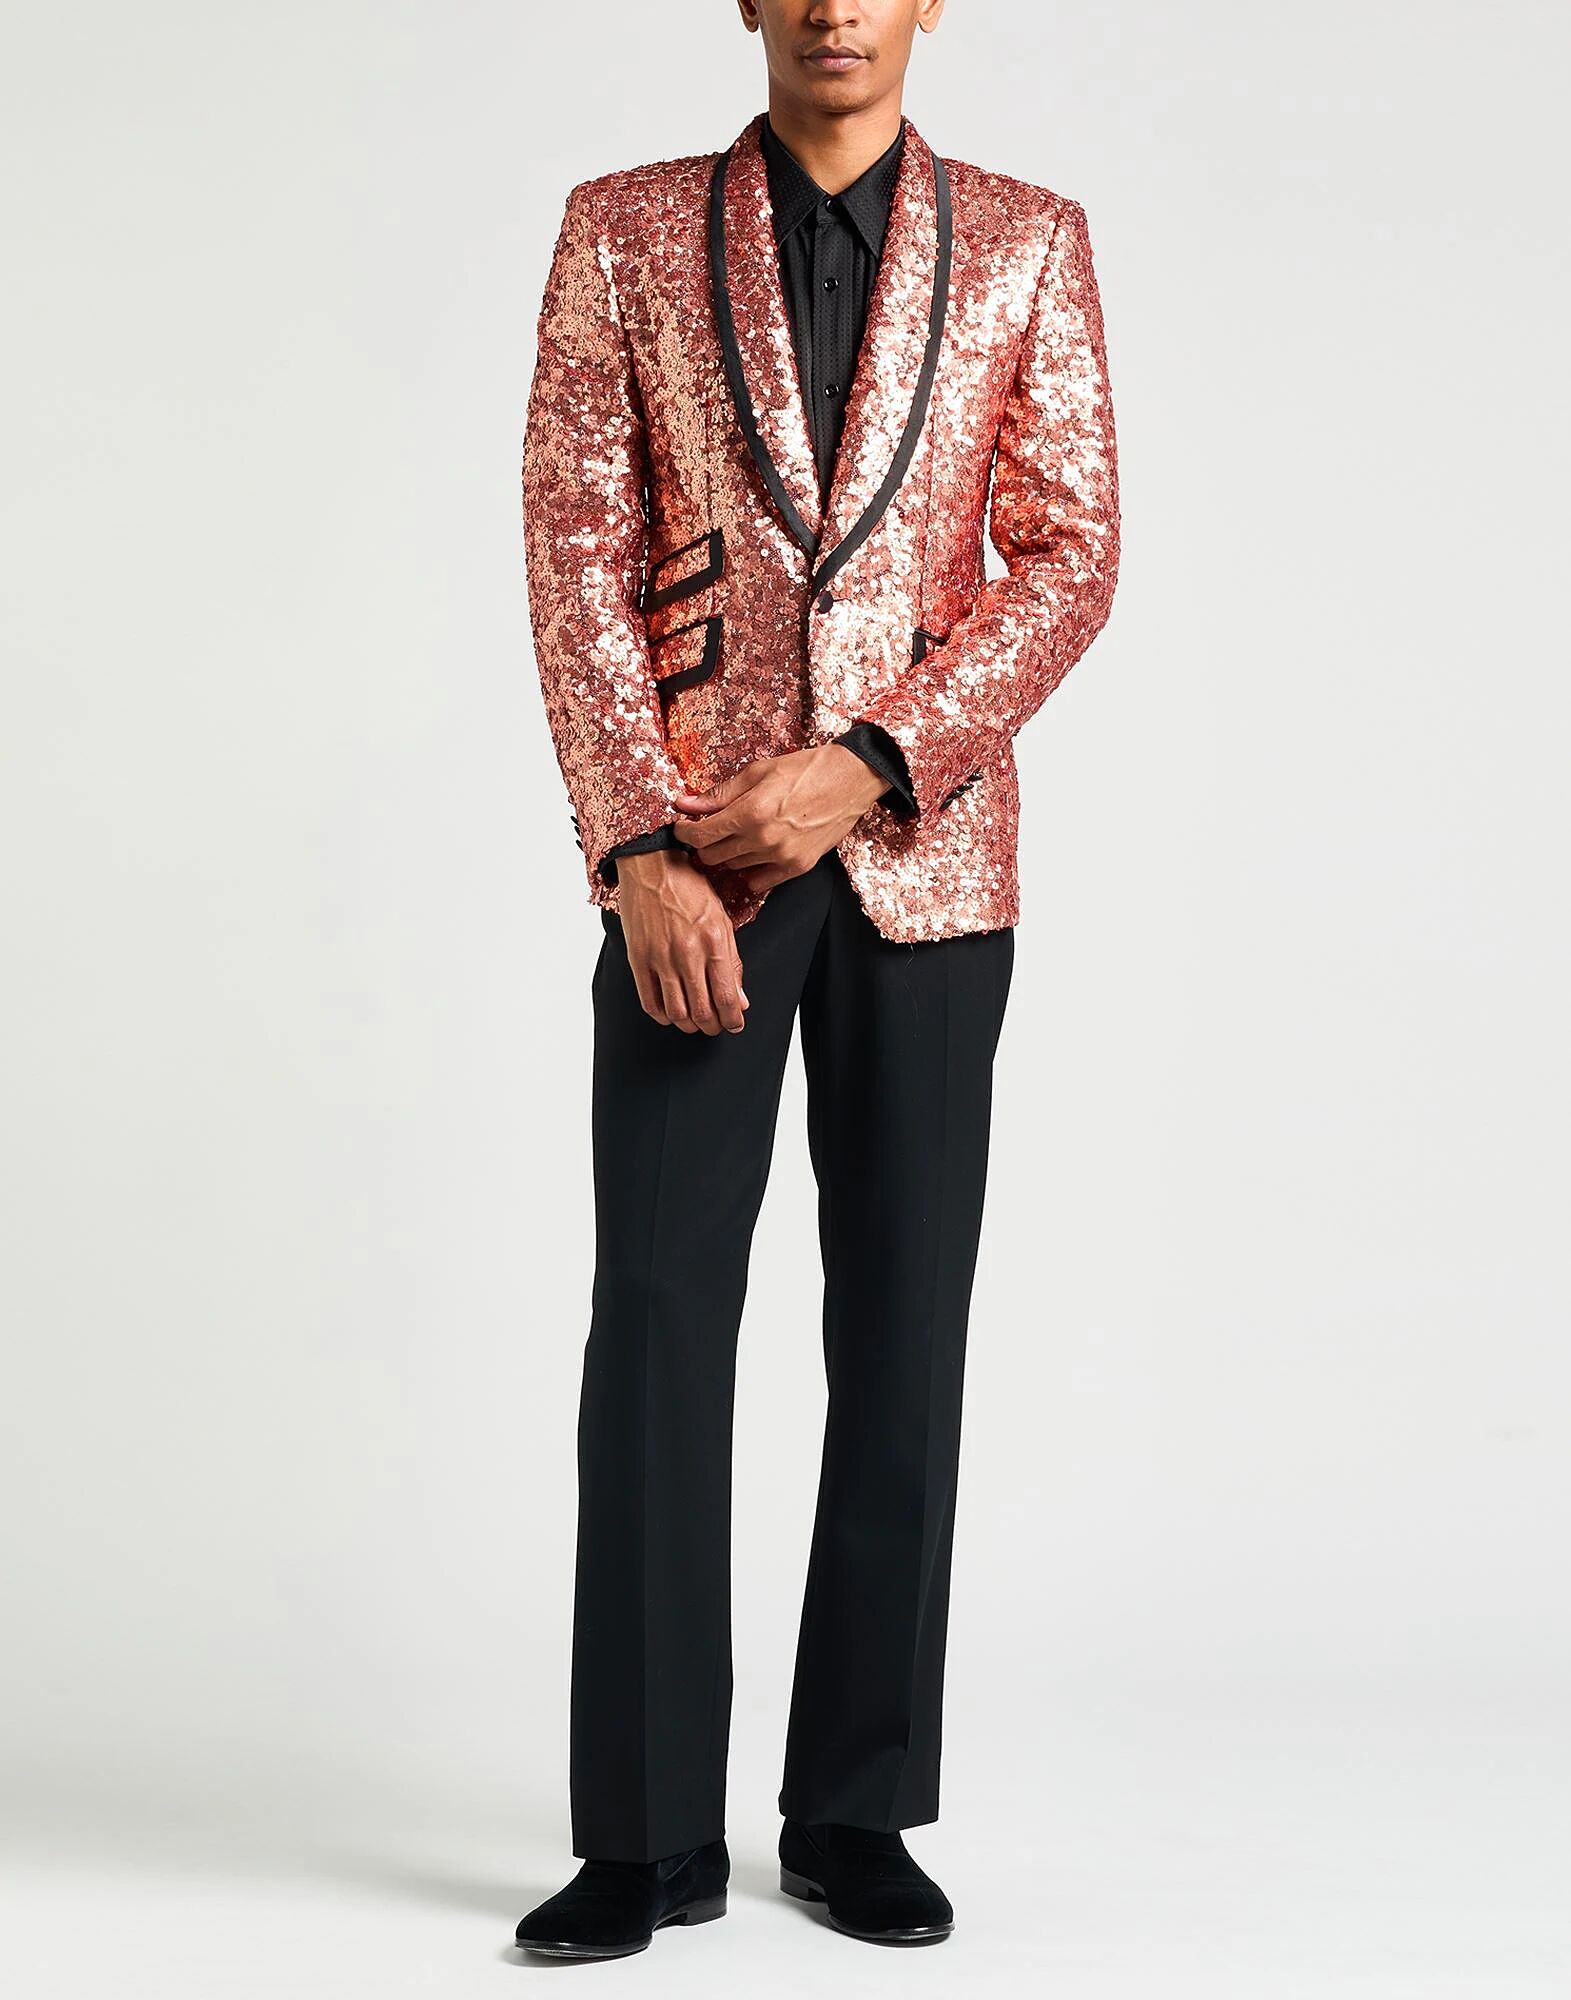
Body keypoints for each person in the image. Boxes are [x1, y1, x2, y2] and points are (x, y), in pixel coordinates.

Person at [515, 0, 1118, 1959]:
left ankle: (855, 1808)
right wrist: (636, 849)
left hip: (927, 867)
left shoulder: (1027, 240)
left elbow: (1068, 558)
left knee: (905, 1333)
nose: (840, 7)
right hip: (694, 870)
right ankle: (643, 1832)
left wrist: (871, 756)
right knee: (656, 1323)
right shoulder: (623, 230)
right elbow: (575, 544)